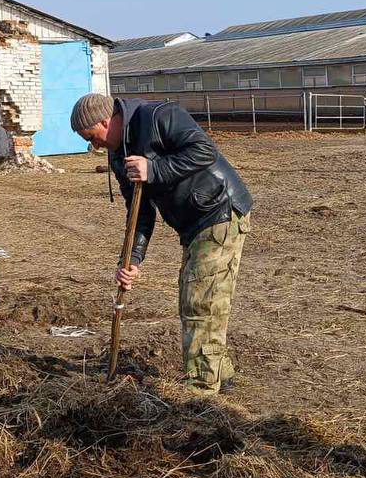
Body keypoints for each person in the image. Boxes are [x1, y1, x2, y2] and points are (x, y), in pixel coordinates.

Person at [70, 93, 252, 394]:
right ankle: (220, 372)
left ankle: (200, 392)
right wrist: (132, 260)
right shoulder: (118, 155)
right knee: (199, 296)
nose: (94, 146)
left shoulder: (158, 116)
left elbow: (204, 150)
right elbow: (140, 212)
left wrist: (153, 169)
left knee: (200, 300)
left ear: (105, 121)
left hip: (218, 209)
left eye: (92, 137)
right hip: (192, 223)